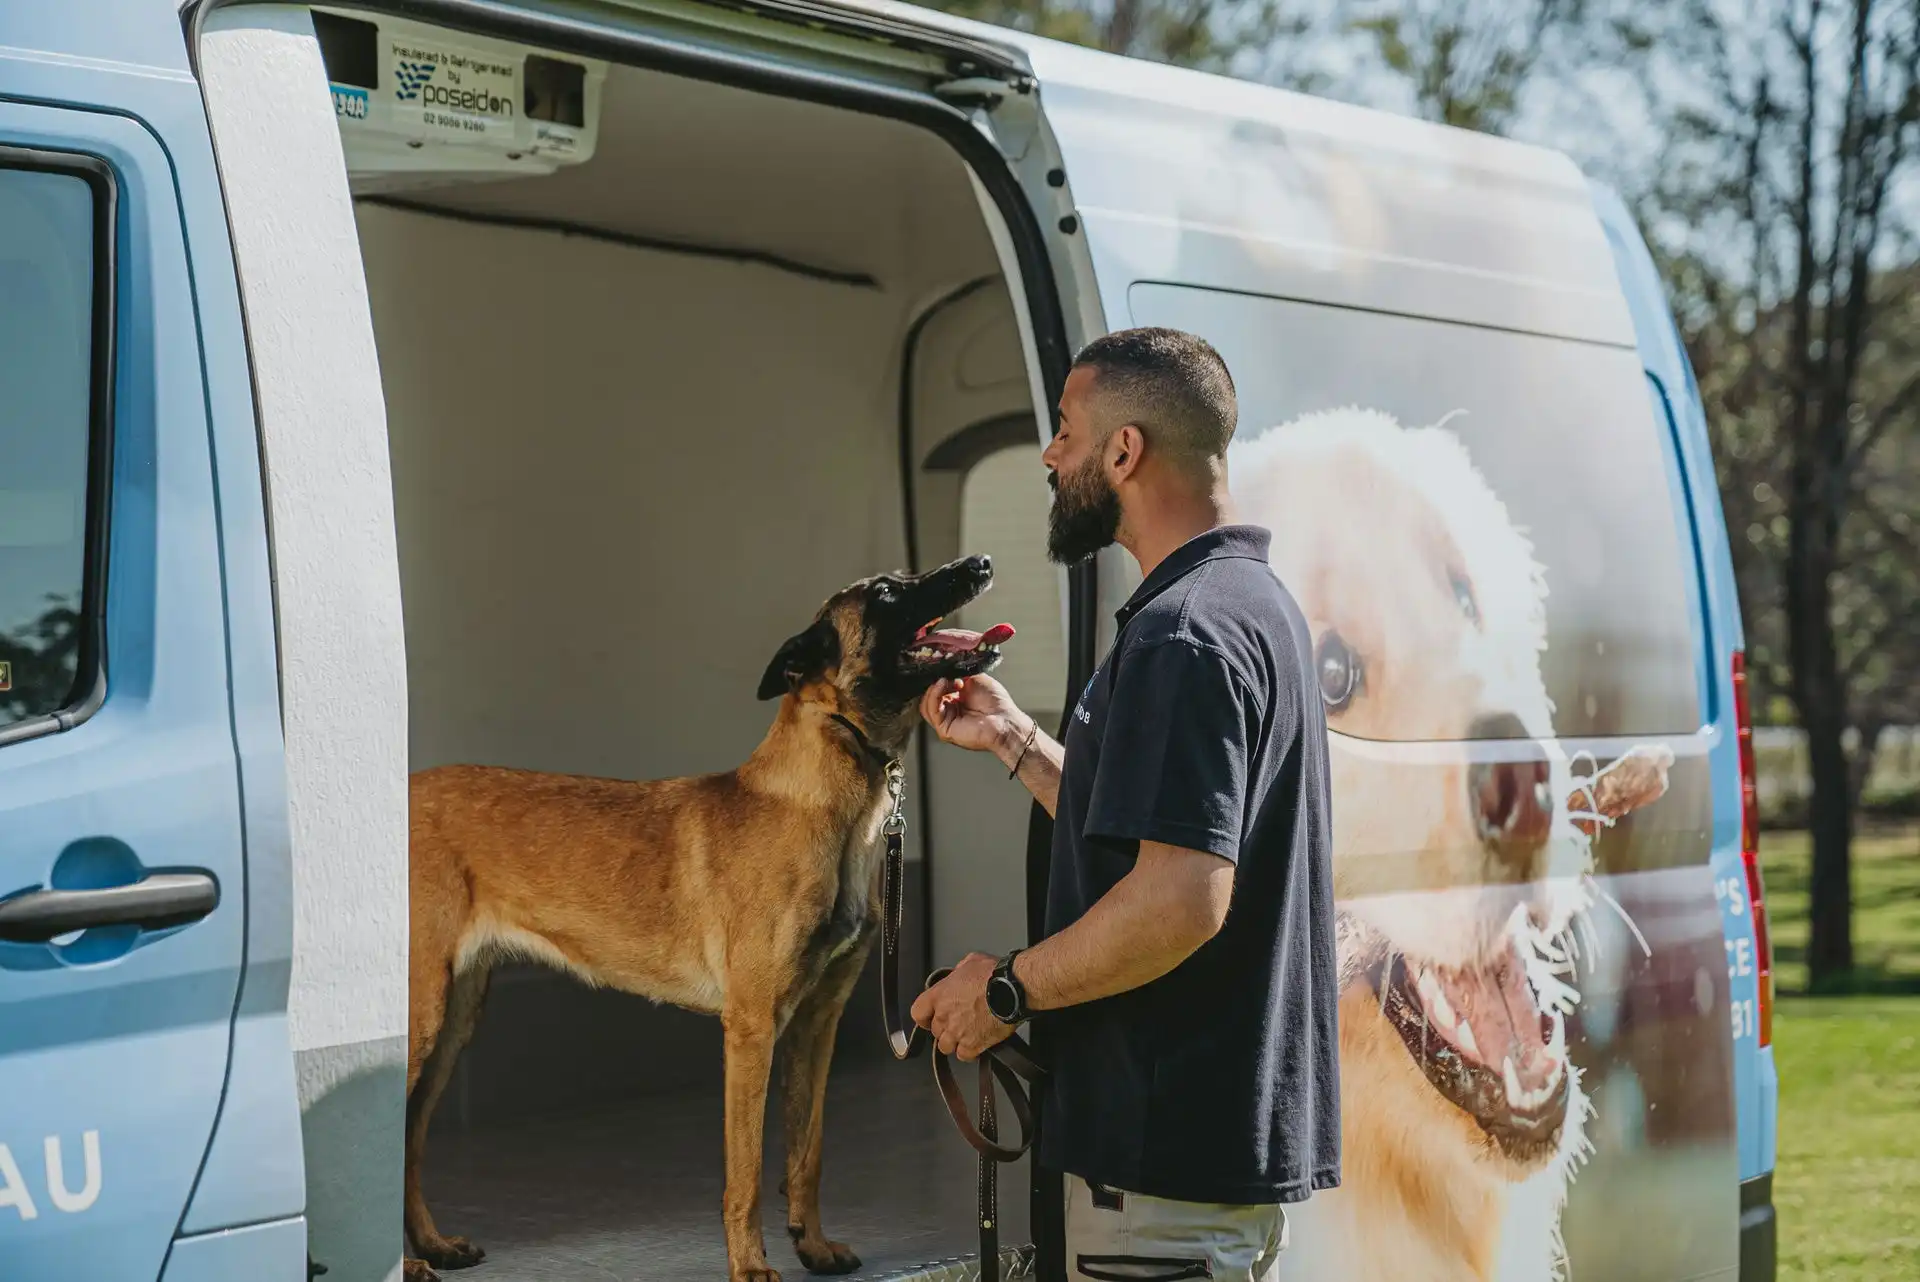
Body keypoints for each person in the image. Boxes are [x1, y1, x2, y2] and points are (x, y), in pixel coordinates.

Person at [911, 327, 1338, 1282]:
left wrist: (1006, 989)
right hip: (1201, 1167)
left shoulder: (1182, 638)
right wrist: (1016, 741)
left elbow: (1182, 898)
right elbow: (1168, 829)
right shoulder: (1249, 606)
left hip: (1161, 1180)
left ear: (1124, 450)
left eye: (1064, 430)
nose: (1051, 456)